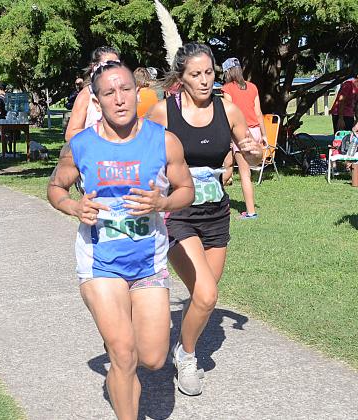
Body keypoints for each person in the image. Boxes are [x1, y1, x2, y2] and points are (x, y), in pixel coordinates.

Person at [47, 62, 194, 420]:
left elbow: (186, 190)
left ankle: (117, 350)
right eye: (109, 93)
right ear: (96, 101)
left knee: (154, 357)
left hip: (149, 262)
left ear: (138, 92)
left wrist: (162, 202)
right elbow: (55, 187)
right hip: (100, 263)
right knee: (125, 355)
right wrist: (73, 206)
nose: (120, 99)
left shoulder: (163, 140)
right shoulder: (81, 145)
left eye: (125, 89)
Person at [144, 43, 262, 396]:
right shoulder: (163, 113)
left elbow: (251, 155)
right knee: (208, 295)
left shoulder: (228, 109)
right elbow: (139, 152)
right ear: (181, 78)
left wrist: (254, 153)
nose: (204, 80)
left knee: (202, 296)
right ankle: (188, 357)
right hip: (178, 212)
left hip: (216, 213)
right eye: (195, 74)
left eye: (209, 72)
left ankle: (182, 346)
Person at [220, 57, 267, 219]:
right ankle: (222, 200)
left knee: (244, 174)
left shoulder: (227, 89)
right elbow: (259, 113)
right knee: (236, 169)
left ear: (227, 72)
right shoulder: (252, 87)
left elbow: (228, 114)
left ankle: (251, 211)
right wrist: (264, 135)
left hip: (240, 134)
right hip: (255, 132)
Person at [65, 46, 121, 141]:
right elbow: (70, 134)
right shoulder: (87, 94)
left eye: (116, 65)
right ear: (94, 67)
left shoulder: (124, 93)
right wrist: (101, 132)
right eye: (107, 65)